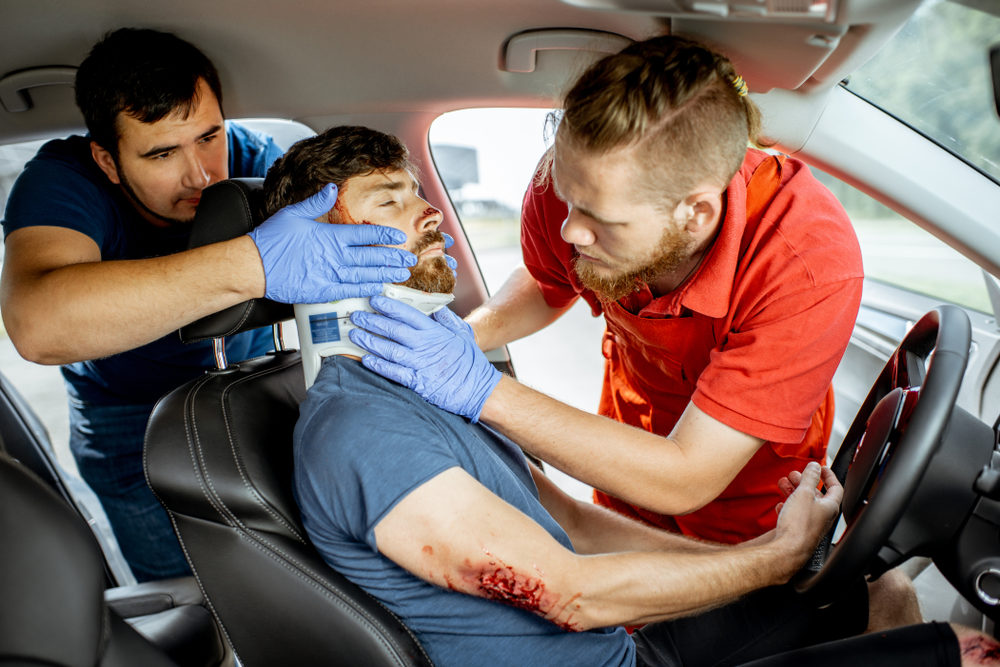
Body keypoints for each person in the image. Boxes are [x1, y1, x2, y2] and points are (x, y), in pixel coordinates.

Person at [276, 126, 985, 667]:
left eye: (421, 193)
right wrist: (771, 561)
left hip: (620, 645)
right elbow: (569, 590)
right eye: (389, 201)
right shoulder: (360, 428)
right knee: (967, 650)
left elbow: (576, 526)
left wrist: (773, 555)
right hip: (608, 646)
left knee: (878, 593)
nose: (429, 212)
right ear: (312, 251)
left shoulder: (423, 386)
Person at [350, 34, 864, 547]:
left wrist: (478, 388)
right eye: (570, 202)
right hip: (624, 454)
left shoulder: (807, 264)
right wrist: (460, 339)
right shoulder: (573, 189)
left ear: (695, 214)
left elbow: (687, 475)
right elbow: (549, 282)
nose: (572, 231)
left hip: (744, 494)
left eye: (600, 220)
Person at [0, 28, 418, 582]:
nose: (200, 174)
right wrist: (253, 264)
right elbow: (38, 326)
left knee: (304, 576)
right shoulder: (64, 182)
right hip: (128, 417)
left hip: (256, 384)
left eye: (208, 136)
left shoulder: (255, 160)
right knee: (191, 598)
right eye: (162, 153)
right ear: (107, 158)